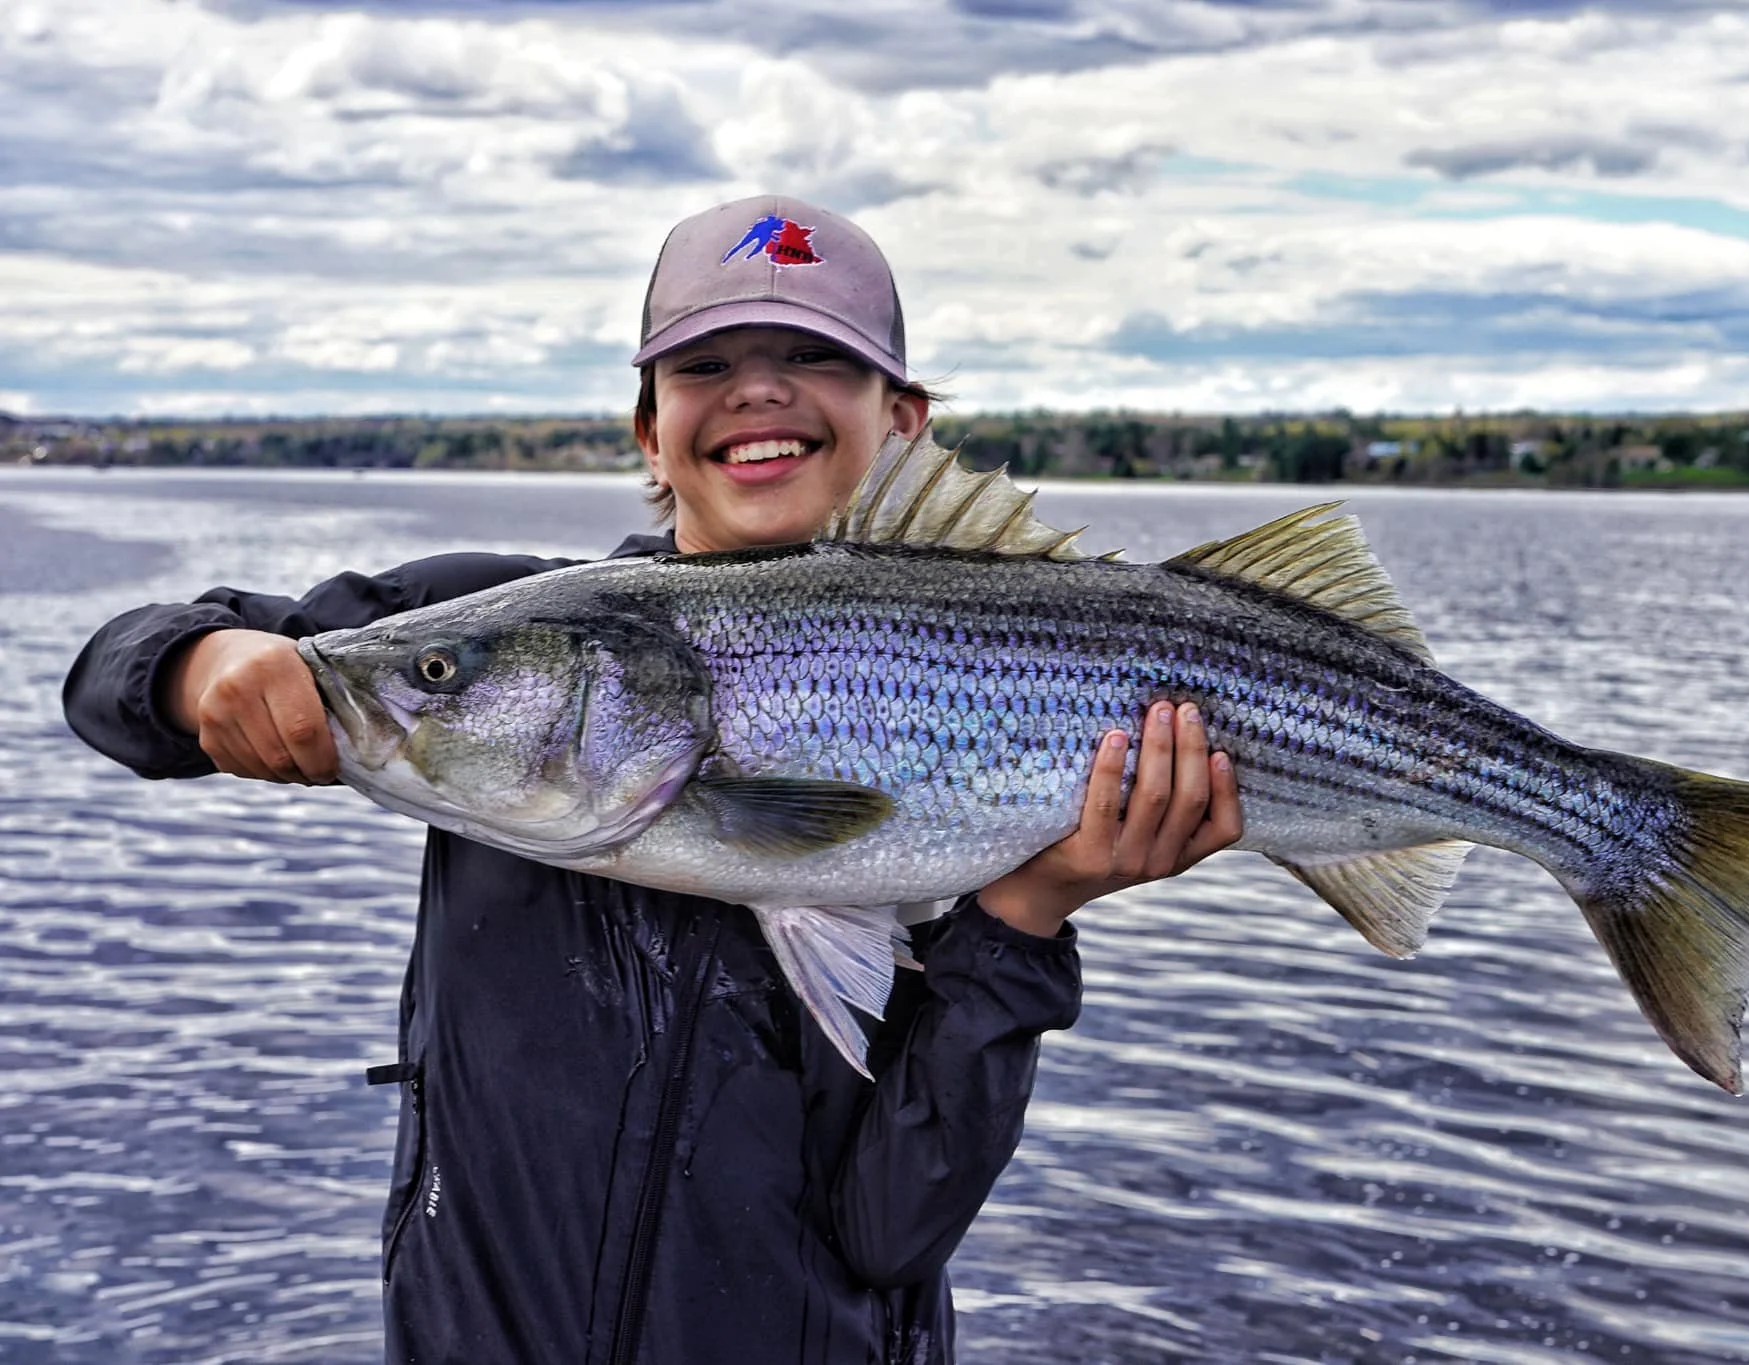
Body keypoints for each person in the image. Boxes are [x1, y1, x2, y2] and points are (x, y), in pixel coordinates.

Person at [63, 195, 1243, 1364]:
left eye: (816, 357)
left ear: (902, 420)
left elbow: (893, 1232)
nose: (759, 389)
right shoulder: (481, 619)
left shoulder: (988, 664)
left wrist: (1025, 917)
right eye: (705, 362)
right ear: (649, 428)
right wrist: (196, 664)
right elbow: (117, 675)